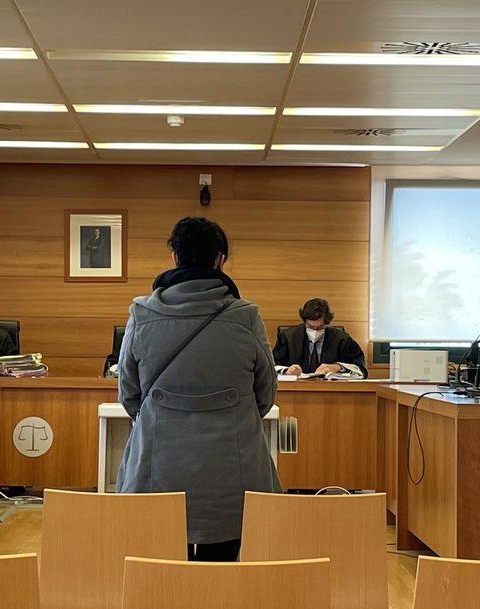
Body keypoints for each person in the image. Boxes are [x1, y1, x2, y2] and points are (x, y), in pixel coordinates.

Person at [117, 216, 279, 562]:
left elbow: (129, 395)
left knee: (159, 565)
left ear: (174, 255)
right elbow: (265, 395)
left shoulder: (142, 314)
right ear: (220, 260)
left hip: (157, 466)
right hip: (234, 469)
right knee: (222, 567)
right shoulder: (246, 316)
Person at [273, 298, 368, 378]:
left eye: (319, 327)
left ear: (326, 323)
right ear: (304, 321)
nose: (314, 331)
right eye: (310, 327)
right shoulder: (289, 337)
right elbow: (272, 366)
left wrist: (337, 367)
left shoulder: (341, 339)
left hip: (332, 392)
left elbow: (360, 369)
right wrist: (286, 370)